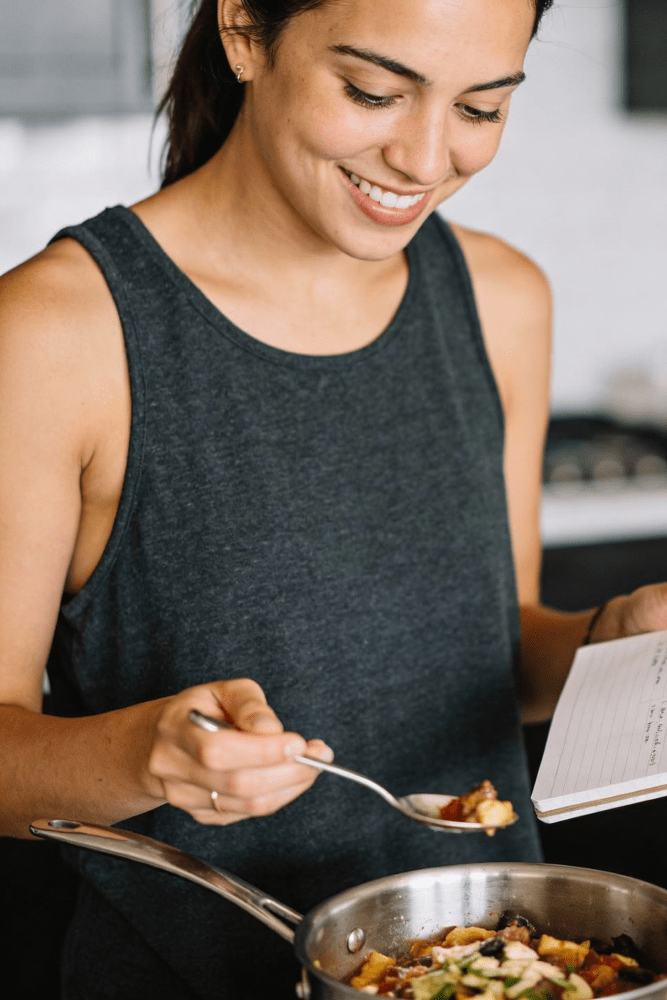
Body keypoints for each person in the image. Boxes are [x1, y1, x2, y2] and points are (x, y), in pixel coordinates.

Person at [1, 0, 666, 996]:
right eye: (371, 91)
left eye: (482, 107)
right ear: (242, 31)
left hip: (502, 960)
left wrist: (616, 645)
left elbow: (502, 651)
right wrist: (149, 757)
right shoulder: (58, 334)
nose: (425, 156)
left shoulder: (501, 299)